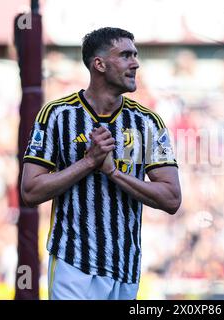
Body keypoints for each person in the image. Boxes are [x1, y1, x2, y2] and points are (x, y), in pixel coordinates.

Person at [21, 27, 181, 300]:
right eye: (126, 55)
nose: (136, 63)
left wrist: (113, 172)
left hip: (126, 268)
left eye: (136, 55)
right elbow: (30, 191)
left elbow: (171, 198)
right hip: (73, 264)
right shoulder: (57, 115)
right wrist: (88, 162)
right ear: (100, 64)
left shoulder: (148, 122)